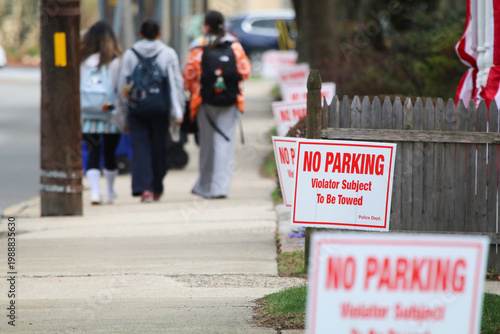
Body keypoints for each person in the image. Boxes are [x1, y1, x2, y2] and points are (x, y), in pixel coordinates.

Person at [183, 10, 251, 199]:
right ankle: (220, 188)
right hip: (231, 100)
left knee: (207, 144)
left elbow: (188, 75)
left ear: (206, 26)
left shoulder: (198, 47)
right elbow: (245, 71)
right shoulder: (234, 46)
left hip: (204, 101)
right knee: (225, 143)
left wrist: (194, 88)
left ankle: (205, 185)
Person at [118, 19, 184, 203]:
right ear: (159, 33)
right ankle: (157, 188)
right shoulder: (168, 53)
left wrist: (122, 112)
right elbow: (176, 83)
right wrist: (178, 109)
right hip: (160, 108)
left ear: (140, 33)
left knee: (140, 147)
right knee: (159, 146)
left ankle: (143, 188)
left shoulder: (131, 54)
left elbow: (122, 85)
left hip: (136, 108)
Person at [80, 21, 124, 205]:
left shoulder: (82, 61)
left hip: (88, 115)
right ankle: (110, 191)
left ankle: (95, 193)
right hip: (111, 115)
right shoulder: (116, 61)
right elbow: (121, 89)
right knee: (110, 153)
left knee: (92, 153)